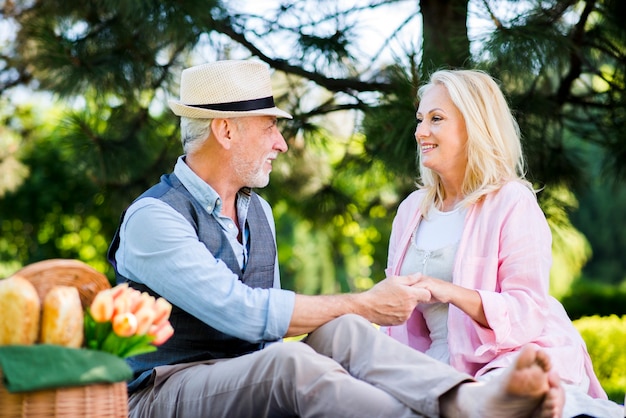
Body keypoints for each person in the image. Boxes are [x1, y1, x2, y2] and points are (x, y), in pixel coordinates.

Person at [108, 59, 562, 417]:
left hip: (240, 378)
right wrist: (362, 303)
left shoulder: (257, 212)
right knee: (293, 364)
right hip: (163, 390)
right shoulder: (153, 218)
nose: (281, 143)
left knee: (341, 332)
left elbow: (266, 339)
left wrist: (349, 321)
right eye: (270, 126)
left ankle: (471, 405)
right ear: (225, 130)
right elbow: (243, 313)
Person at [381, 68, 624, 418]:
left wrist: (447, 290)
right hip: (435, 362)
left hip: (507, 358)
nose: (420, 132)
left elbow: (527, 310)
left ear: (473, 126)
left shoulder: (511, 201)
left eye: (436, 119)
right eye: (420, 119)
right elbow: (398, 323)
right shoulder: (410, 211)